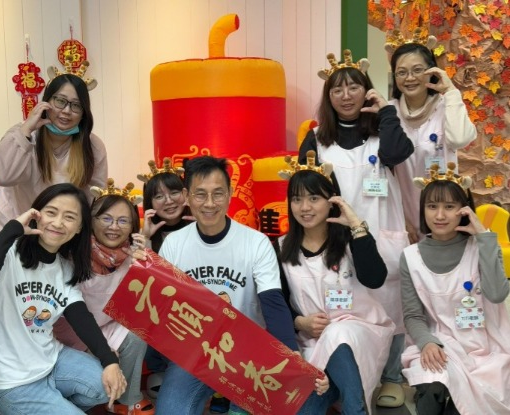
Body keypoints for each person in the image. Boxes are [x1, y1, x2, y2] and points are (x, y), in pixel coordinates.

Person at [154, 155, 326, 415]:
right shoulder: (174, 244)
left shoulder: (256, 243)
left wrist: (290, 353)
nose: (209, 203)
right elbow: (164, 307)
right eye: (200, 194)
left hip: (249, 353)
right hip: (195, 352)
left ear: (230, 193)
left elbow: (272, 302)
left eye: (217, 193)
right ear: (187, 196)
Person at [298, 50, 414, 408]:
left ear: (367, 90)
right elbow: (303, 189)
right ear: (328, 97)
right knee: (348, 310)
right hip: (335, 238)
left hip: (382, 231)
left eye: (354, 87)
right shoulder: (316, 140)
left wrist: (386, 111)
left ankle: (391, 377)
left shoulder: (383, 134)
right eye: (337, 89)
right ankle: (350, 376)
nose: (346, 96)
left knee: (390, 305)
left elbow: (400, 152)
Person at [0, 183, 127, 415]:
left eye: (69, 217)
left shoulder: (64, 268)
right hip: (11, 382)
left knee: (104, 385)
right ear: (36, 215)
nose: (58, 223)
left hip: (51, 361)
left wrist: (110, 361)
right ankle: (4, 405)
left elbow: (81, 318)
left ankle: (44, 403)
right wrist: (14, 227)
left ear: (79, 228)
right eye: (51, 212)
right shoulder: (9, 254)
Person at [276, 154, 395, 414]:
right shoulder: (281, 247)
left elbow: (375, 279)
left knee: (339, 333)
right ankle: (337, 390)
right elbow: (278, 303)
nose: (304, 207)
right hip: (310, 344)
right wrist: (300, 322)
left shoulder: (351, 239)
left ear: (332, 201)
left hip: (358, 335)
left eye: (313, 198)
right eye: (296, 199)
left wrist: (356, 226)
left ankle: (355, 409)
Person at [400, 166, 510, 414]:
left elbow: (496, 294)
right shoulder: (410, 256)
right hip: (440, 343)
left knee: (471, 403)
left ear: (464, 209)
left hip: (488, 347)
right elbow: (413, 315)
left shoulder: (482, 246)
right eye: (432, 206)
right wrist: (427, 342)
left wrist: (483, 236)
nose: (440, 215)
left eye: (449, 206)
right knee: (432, 386)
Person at [53, 180, 154, 415]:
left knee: (138, 331)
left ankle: (127, 400)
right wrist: (97, 349)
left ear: (133, 225)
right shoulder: (71, 254)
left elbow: (143, 304)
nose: (114, 227)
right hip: (72, 334)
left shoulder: (133, 255)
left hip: (108, 326)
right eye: (106, 219)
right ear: (91, 221)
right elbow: (62, 317)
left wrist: (146, 265)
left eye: (123, 221)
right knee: (93, 386)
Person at [0, 72, 108, 240]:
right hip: (16, 228)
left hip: (59, 234)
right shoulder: (21, 134)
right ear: (46, 102)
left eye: (76, 105)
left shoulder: (92, 146)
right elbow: (3, 177)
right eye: (60, 101)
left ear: (84, 113)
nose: (66, 111)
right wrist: (26, 130)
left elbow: (94, 198)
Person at [386, 32, 477, 243]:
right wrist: (399, 219)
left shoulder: (447, 106)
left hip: (444, 217)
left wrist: (451, 91)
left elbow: (460, 139)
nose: (410, 78)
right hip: (402, 219)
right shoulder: (389, 113)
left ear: (432, 71)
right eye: (402, 72)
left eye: (418, 70)